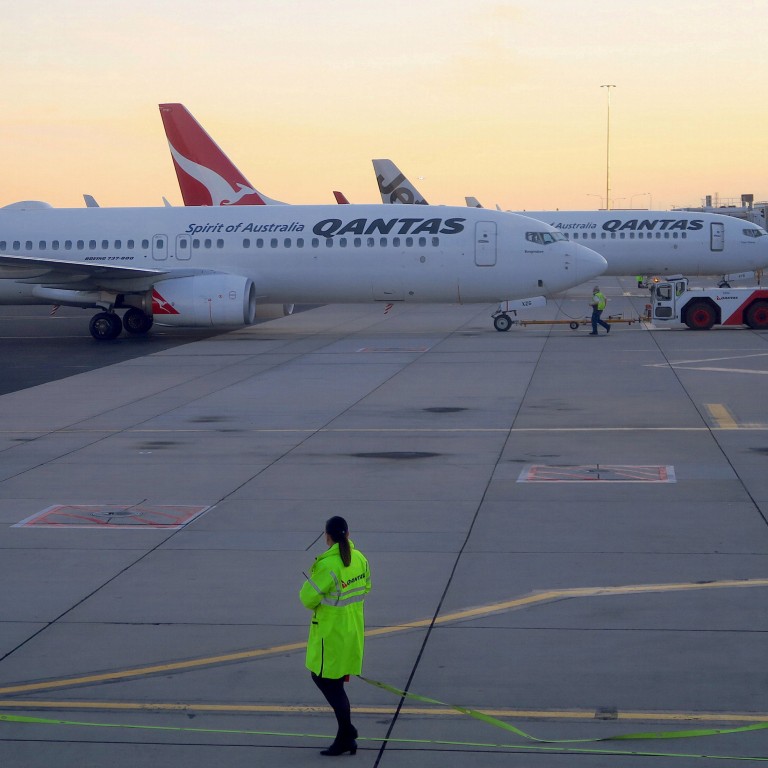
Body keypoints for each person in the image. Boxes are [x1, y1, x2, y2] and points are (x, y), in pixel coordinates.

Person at [300, 516, 371, 756]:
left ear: (327, 536)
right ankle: (346, 733)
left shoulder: (329, 565)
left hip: (330, 634)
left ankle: (346, 733)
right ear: (348, 534)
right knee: (336, 681)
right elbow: (367, 587)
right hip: (352, 629)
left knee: (323, 679)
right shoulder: (360, 559)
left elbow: (307, 598)